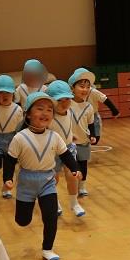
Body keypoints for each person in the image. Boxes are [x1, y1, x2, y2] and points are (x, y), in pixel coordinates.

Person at [5, 92, 81, 260]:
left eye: (49, 110)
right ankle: (26, 212)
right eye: (40, 109)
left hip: (48, 181)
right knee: (22, 221)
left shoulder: (55, 136)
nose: (45, 113)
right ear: (28, 114)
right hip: (26, 183)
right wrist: (7, 178)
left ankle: (48, 249)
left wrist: (75, 169)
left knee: (51, 216)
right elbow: (9, 160)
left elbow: (66, 155)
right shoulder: (20, 138)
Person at [67, 68, 118, 203]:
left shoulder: (88, 107)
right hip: (70, 143)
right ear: (72, 88)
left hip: (83, 141)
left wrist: (93, 135)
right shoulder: (67, 104)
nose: (85, 89)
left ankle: (82, 186)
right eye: (81, 86)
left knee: (83, 164)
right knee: (73, 167)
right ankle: (73, 189)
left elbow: (90, 124)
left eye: (88, 87)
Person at [45, 79, 78, 217]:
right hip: (53, 151)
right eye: (59, 100)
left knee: (73, 175)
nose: (64, 103)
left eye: (67, 99)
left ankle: (74, 203)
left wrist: (71, 135)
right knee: (54, 179)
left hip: (68, 148)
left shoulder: (70, 112)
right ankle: (55, 202)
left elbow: (67, 127)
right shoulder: (48, 117)